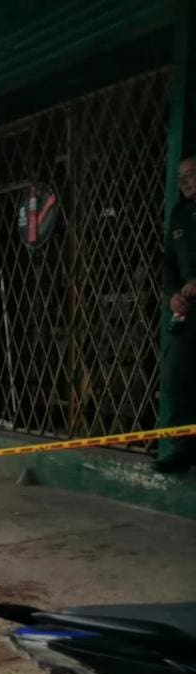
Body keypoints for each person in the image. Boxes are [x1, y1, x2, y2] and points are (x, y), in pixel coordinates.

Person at [156, 154, 196, 473]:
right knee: (176, 373)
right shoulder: (180, 216)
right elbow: (169, 263)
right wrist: (172, 297)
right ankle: (184, 447)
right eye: (180, 176)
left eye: (191, 175)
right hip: (188, 310)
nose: (184, 181)